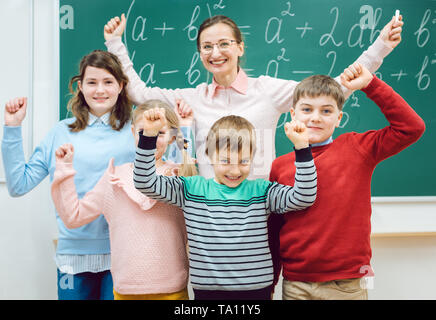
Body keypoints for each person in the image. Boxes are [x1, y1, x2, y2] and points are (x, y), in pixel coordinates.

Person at [103, 13, 403, 181]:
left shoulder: (268, 90)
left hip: (262, 208)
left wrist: (380, 48)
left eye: (224, 44)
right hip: (209, 211)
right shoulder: (192, 98)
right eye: (207, 47)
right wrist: (115, 42)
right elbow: (138, 93)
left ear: (240, 47)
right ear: (199, 54)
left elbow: (334, 88)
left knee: (261, 285)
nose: (215, 53)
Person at [1, 50, 191, 300]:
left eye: (108, 82)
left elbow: (176, 171)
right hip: (74, 254)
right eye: (92, 82)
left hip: (126, 257)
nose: (100, 90)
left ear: (121, 86)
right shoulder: (61, 132)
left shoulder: (138, 132)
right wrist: (12, 128)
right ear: (80, 86)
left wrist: (186, 128)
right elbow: (18, 185)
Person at [268, 62, 425, 300]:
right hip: (297, 283)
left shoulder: (358, 148)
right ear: (293, 115)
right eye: (307, 109)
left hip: (347, 284)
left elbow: (412, 128)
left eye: (326, 111)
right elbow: (275, 227)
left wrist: (371, 85)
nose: (315, 118)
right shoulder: (280, 165)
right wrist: (271, 281)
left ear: (339, 118)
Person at [133, 109, 317, 300]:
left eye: (244, 161)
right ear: (210, 156)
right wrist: (149, 136)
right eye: (226, 161)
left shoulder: (262, 191)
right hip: (208, 293)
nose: (235, 170)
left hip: (256, 291)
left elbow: (304, 196)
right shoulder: (191, 189)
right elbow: (145, 182)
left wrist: (302, 147)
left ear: (253, 157)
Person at [51, 100, 196, 300]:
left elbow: (190, 169)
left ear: (172, 137)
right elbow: (73, 217)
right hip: (125, 290)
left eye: (159, 133)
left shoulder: (180, 175)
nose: (151, 139)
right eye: (145, 133)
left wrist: (186, 128)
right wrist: (64, 171)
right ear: (133, 131)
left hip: (172, 290)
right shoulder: (113, 178)